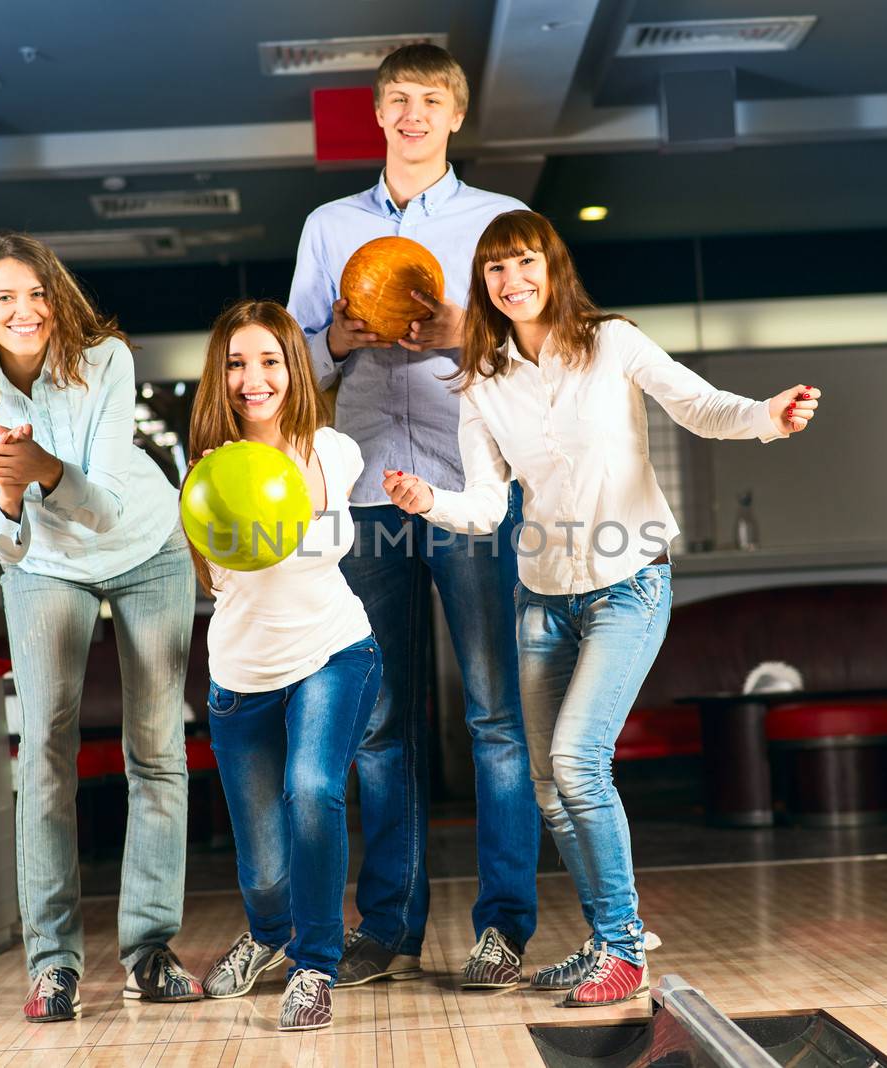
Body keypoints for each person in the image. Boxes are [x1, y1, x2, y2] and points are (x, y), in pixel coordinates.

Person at [382, 210, 822, 1006]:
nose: (512, 281)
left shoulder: (612, 342)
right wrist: (428, 500)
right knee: (550, 786)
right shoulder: (482, 382)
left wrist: (766, 416)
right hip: (541, 597)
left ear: (553, 269)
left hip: (629, 583)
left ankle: (623, 949)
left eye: (525, 264)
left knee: (579, 762)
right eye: (495, 270)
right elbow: (485, 506)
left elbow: (700, 407)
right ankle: (601, 941)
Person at [287, 41, 538, 991]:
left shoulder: (499, 224)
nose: (413, 115)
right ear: (378, 115)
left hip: (470, 489)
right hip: (362, 494)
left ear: (457, 115)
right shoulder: (328, 227)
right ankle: (388, 927)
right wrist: (337, 338)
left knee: (495, 717)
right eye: (397, 100)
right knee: (378, 723)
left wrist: (459, 331)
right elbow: (297, 368)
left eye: (430, 100)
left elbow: (538, 349)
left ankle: (504, 926)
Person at [0, 231, 201, 1022]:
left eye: (38, 293)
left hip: (146, 546)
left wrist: (44, 469)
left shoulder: (105, 360)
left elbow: (108, 503)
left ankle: (150, 948)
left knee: (156, 747)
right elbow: (2, 539)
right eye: (5, 297)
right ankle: (52, 963)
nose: (25, 310)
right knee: (44, 746)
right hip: (45, 566)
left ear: (57, 297)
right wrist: (12, 495)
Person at [189, 300, 383, 1032]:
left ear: (292, 368)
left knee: (312, 789)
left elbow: (312, 544)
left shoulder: (335, 452)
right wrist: (213, 499)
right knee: (266, 872)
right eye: (237, 363)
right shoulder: (205, 469)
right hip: (242, 678)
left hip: (334, 651)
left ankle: (314, 965)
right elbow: (217, 579)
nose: (253, 377)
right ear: (222, 375)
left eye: (269, 360)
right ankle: (269, 935)